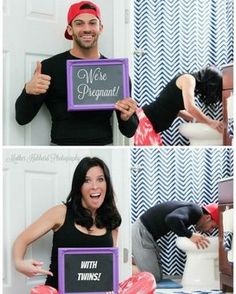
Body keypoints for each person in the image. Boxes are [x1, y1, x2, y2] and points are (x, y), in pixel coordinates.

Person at [13, 156, 156, 293]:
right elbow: (21, 240)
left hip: (97, 291)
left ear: (107, 184)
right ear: (79, 186)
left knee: (147, 279)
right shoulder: (60, 213)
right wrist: (19, 263)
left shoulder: (111, 220)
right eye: (87, 181)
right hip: (59, 291)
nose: (95, 186)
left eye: (100, 179)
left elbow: (106, 265)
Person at [15, 1, 138, 145]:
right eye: (79, 23)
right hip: (61, 149)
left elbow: (129, 131)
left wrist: (127, 117)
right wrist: (28, 91)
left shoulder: (114, 71)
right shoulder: (49, 68)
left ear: (100, 28)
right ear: (70, 29)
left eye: (92, 23)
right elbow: (22, 118)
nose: (87, 29)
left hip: (103, 147)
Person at [134, 65, 224, 145]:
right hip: (145, 121)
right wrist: (210, 122)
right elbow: (190, 108)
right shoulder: (188, 79)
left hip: (149, 124)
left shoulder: (190, 82)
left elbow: (176, 110)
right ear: (209, 84)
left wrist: (198, 119)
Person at [132, 201, 219, 282]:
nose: (210, 231)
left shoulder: (193, 212)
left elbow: (175, 223)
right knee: (153, 277)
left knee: (158, 275)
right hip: (142, 232)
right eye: (212, 227)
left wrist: (190, 235)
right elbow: (171, 219)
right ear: (208, 217)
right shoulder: (195, 211)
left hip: (145, 234)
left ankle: (133, 259)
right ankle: (123, 266)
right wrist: (191, 235)